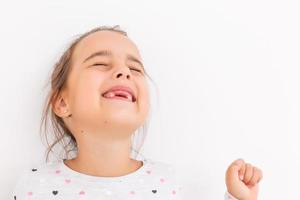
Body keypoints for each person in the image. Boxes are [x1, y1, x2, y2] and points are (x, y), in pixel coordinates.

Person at [12, 25, 263, 200]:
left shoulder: (169, 183)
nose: (124, 72)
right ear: (62, 102)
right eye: (100, 63)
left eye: (136, 68)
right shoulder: (33, 186)